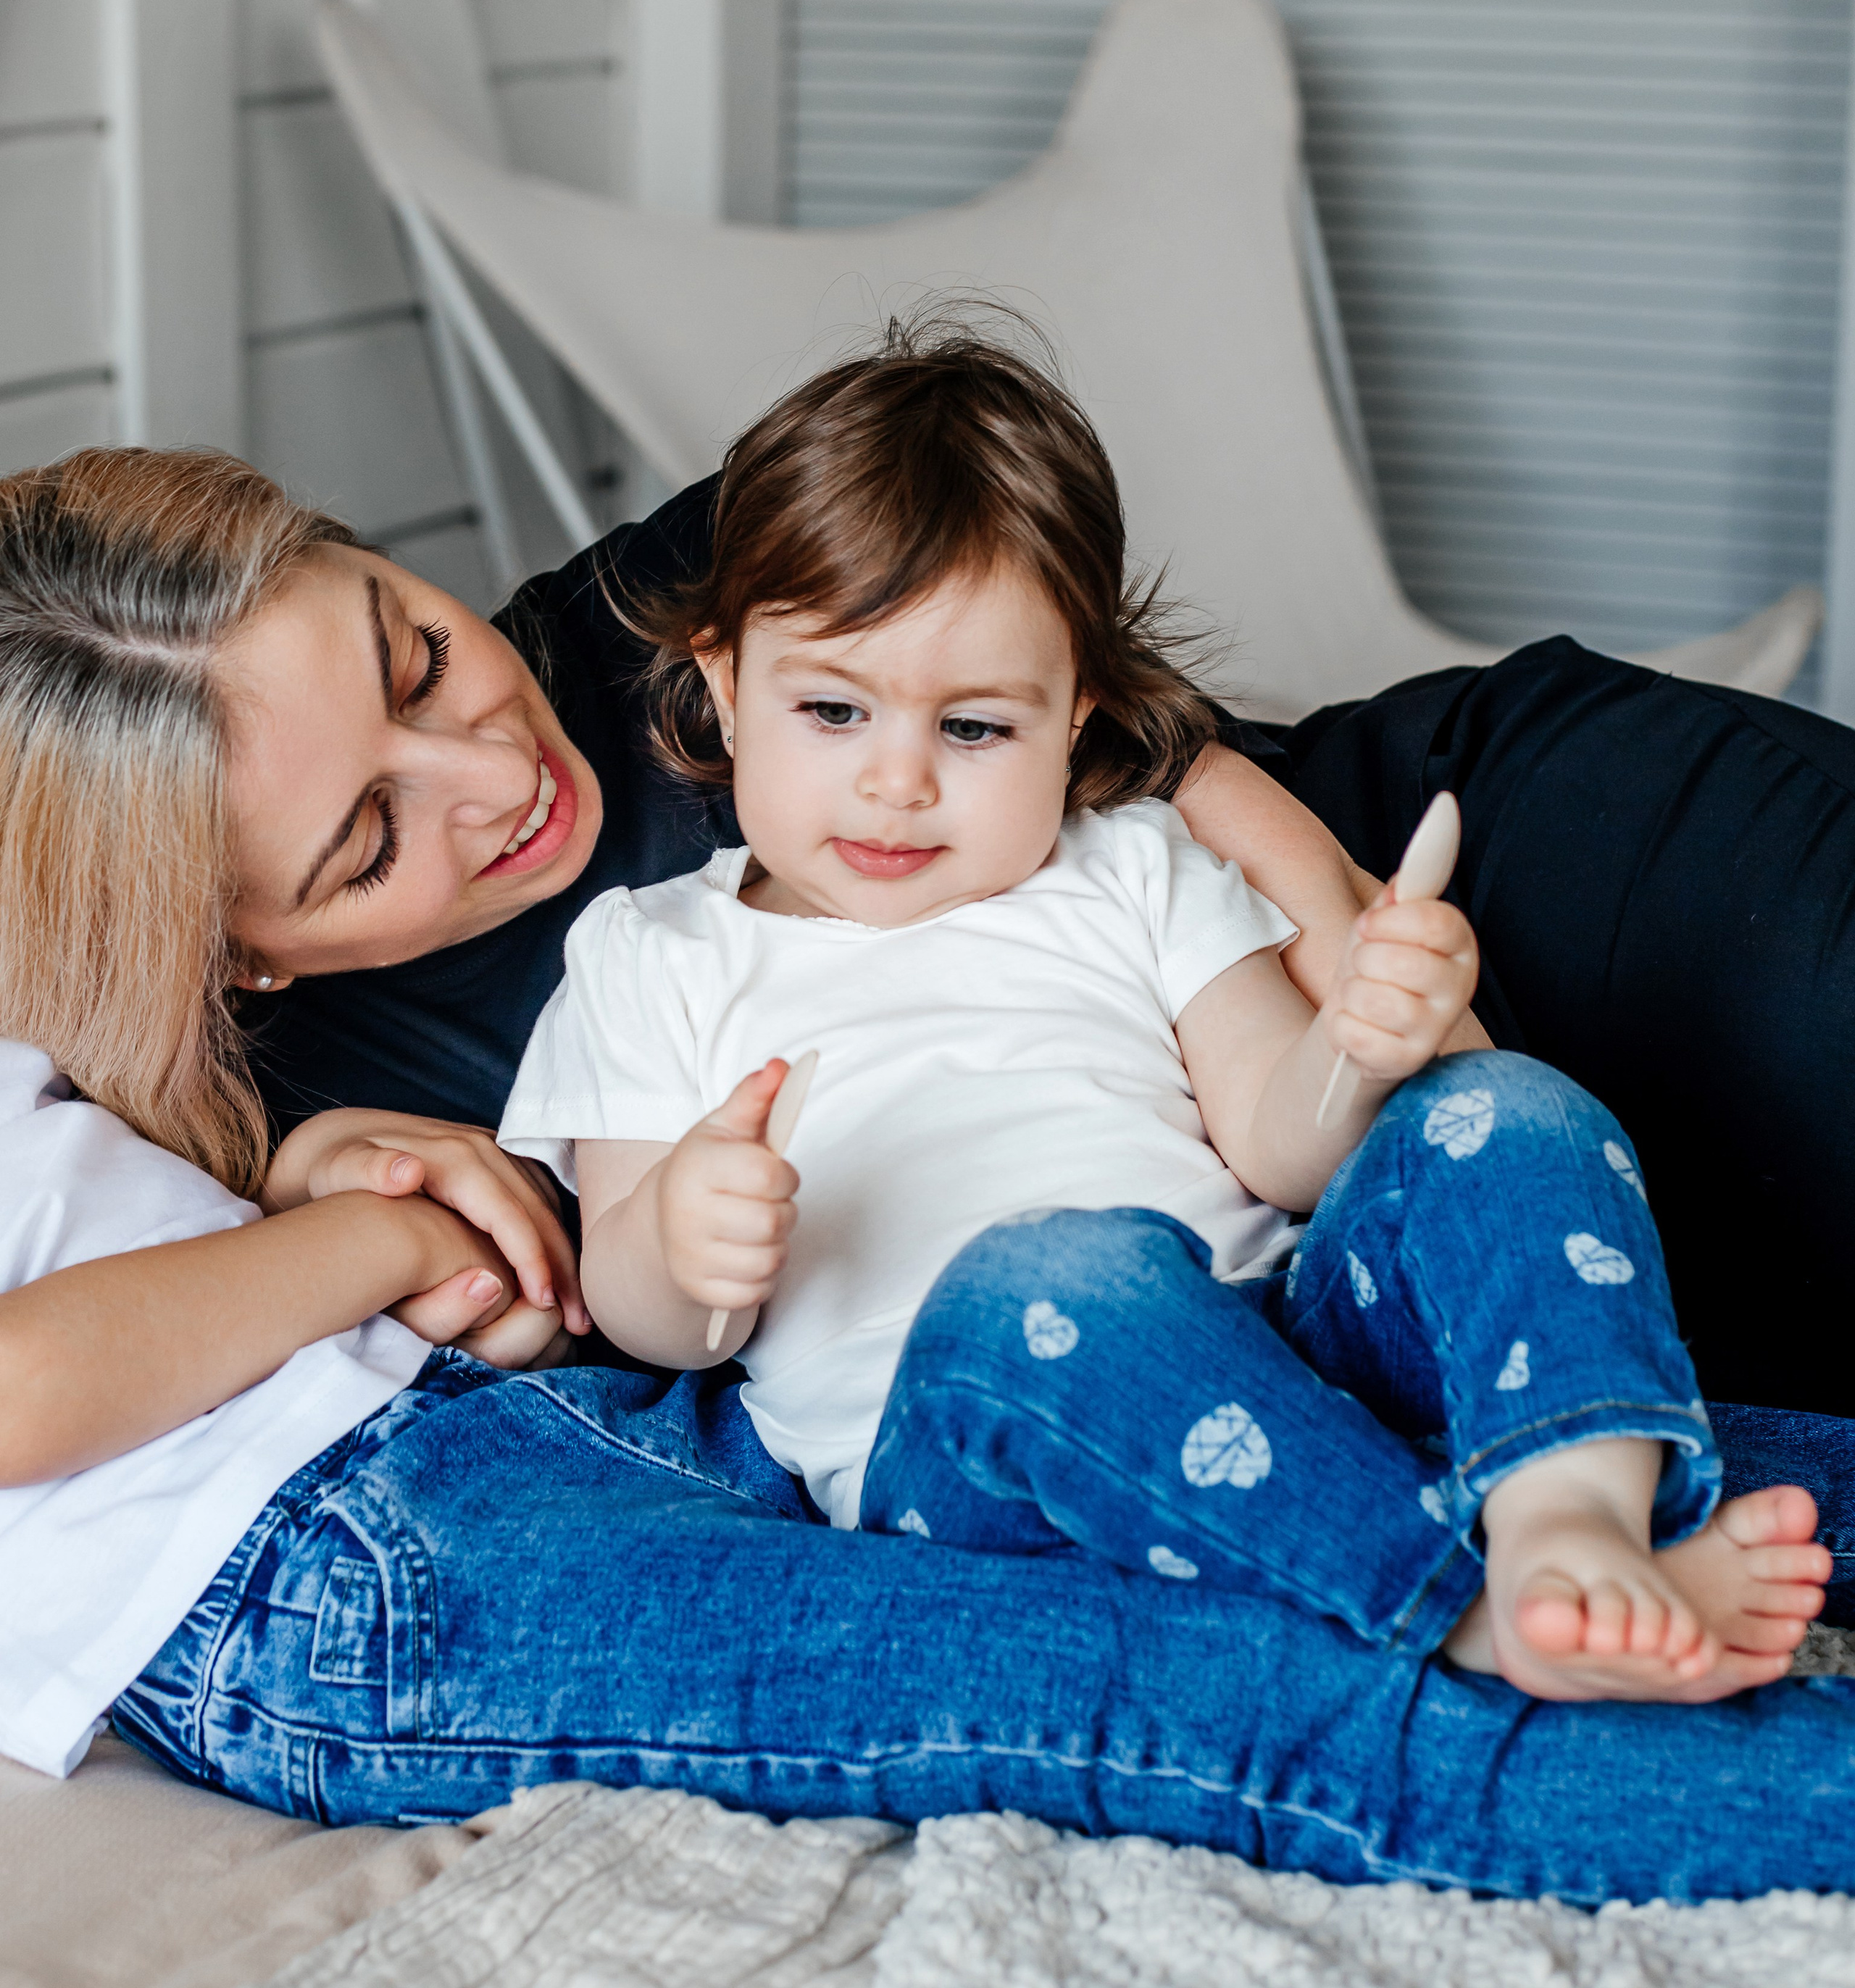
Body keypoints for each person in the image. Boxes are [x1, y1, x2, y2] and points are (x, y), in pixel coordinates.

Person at [1, 435, 1854, 1902]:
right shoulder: (454, 1060)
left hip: (1392, 955)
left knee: (1583, 1101)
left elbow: (1148, 735)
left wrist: (1366, 973)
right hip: (1152, 1369)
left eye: (415, 651)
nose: (487, 771)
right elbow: (616, 1310)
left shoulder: (690, 598)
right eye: (365, 841)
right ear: (236, 951)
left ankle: (1562, 1534)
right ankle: (1514, 1595)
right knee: (1113, 1345)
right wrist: (377, 1203)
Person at [497, 325, 1827, 1703]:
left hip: (1289, 1360)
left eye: (974, 730)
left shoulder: (1130, 863)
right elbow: (636, 1314)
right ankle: (1469, 1611)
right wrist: (688, 1240)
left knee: (1508, 1102)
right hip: (980, 1437)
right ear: (724, 683)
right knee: (1054, 1278)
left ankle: (1576, 1522)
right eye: (834, 710)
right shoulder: (652, 952)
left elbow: (1280, 1145)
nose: (897, 784)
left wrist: (1358, 1049)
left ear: (1075, 715)